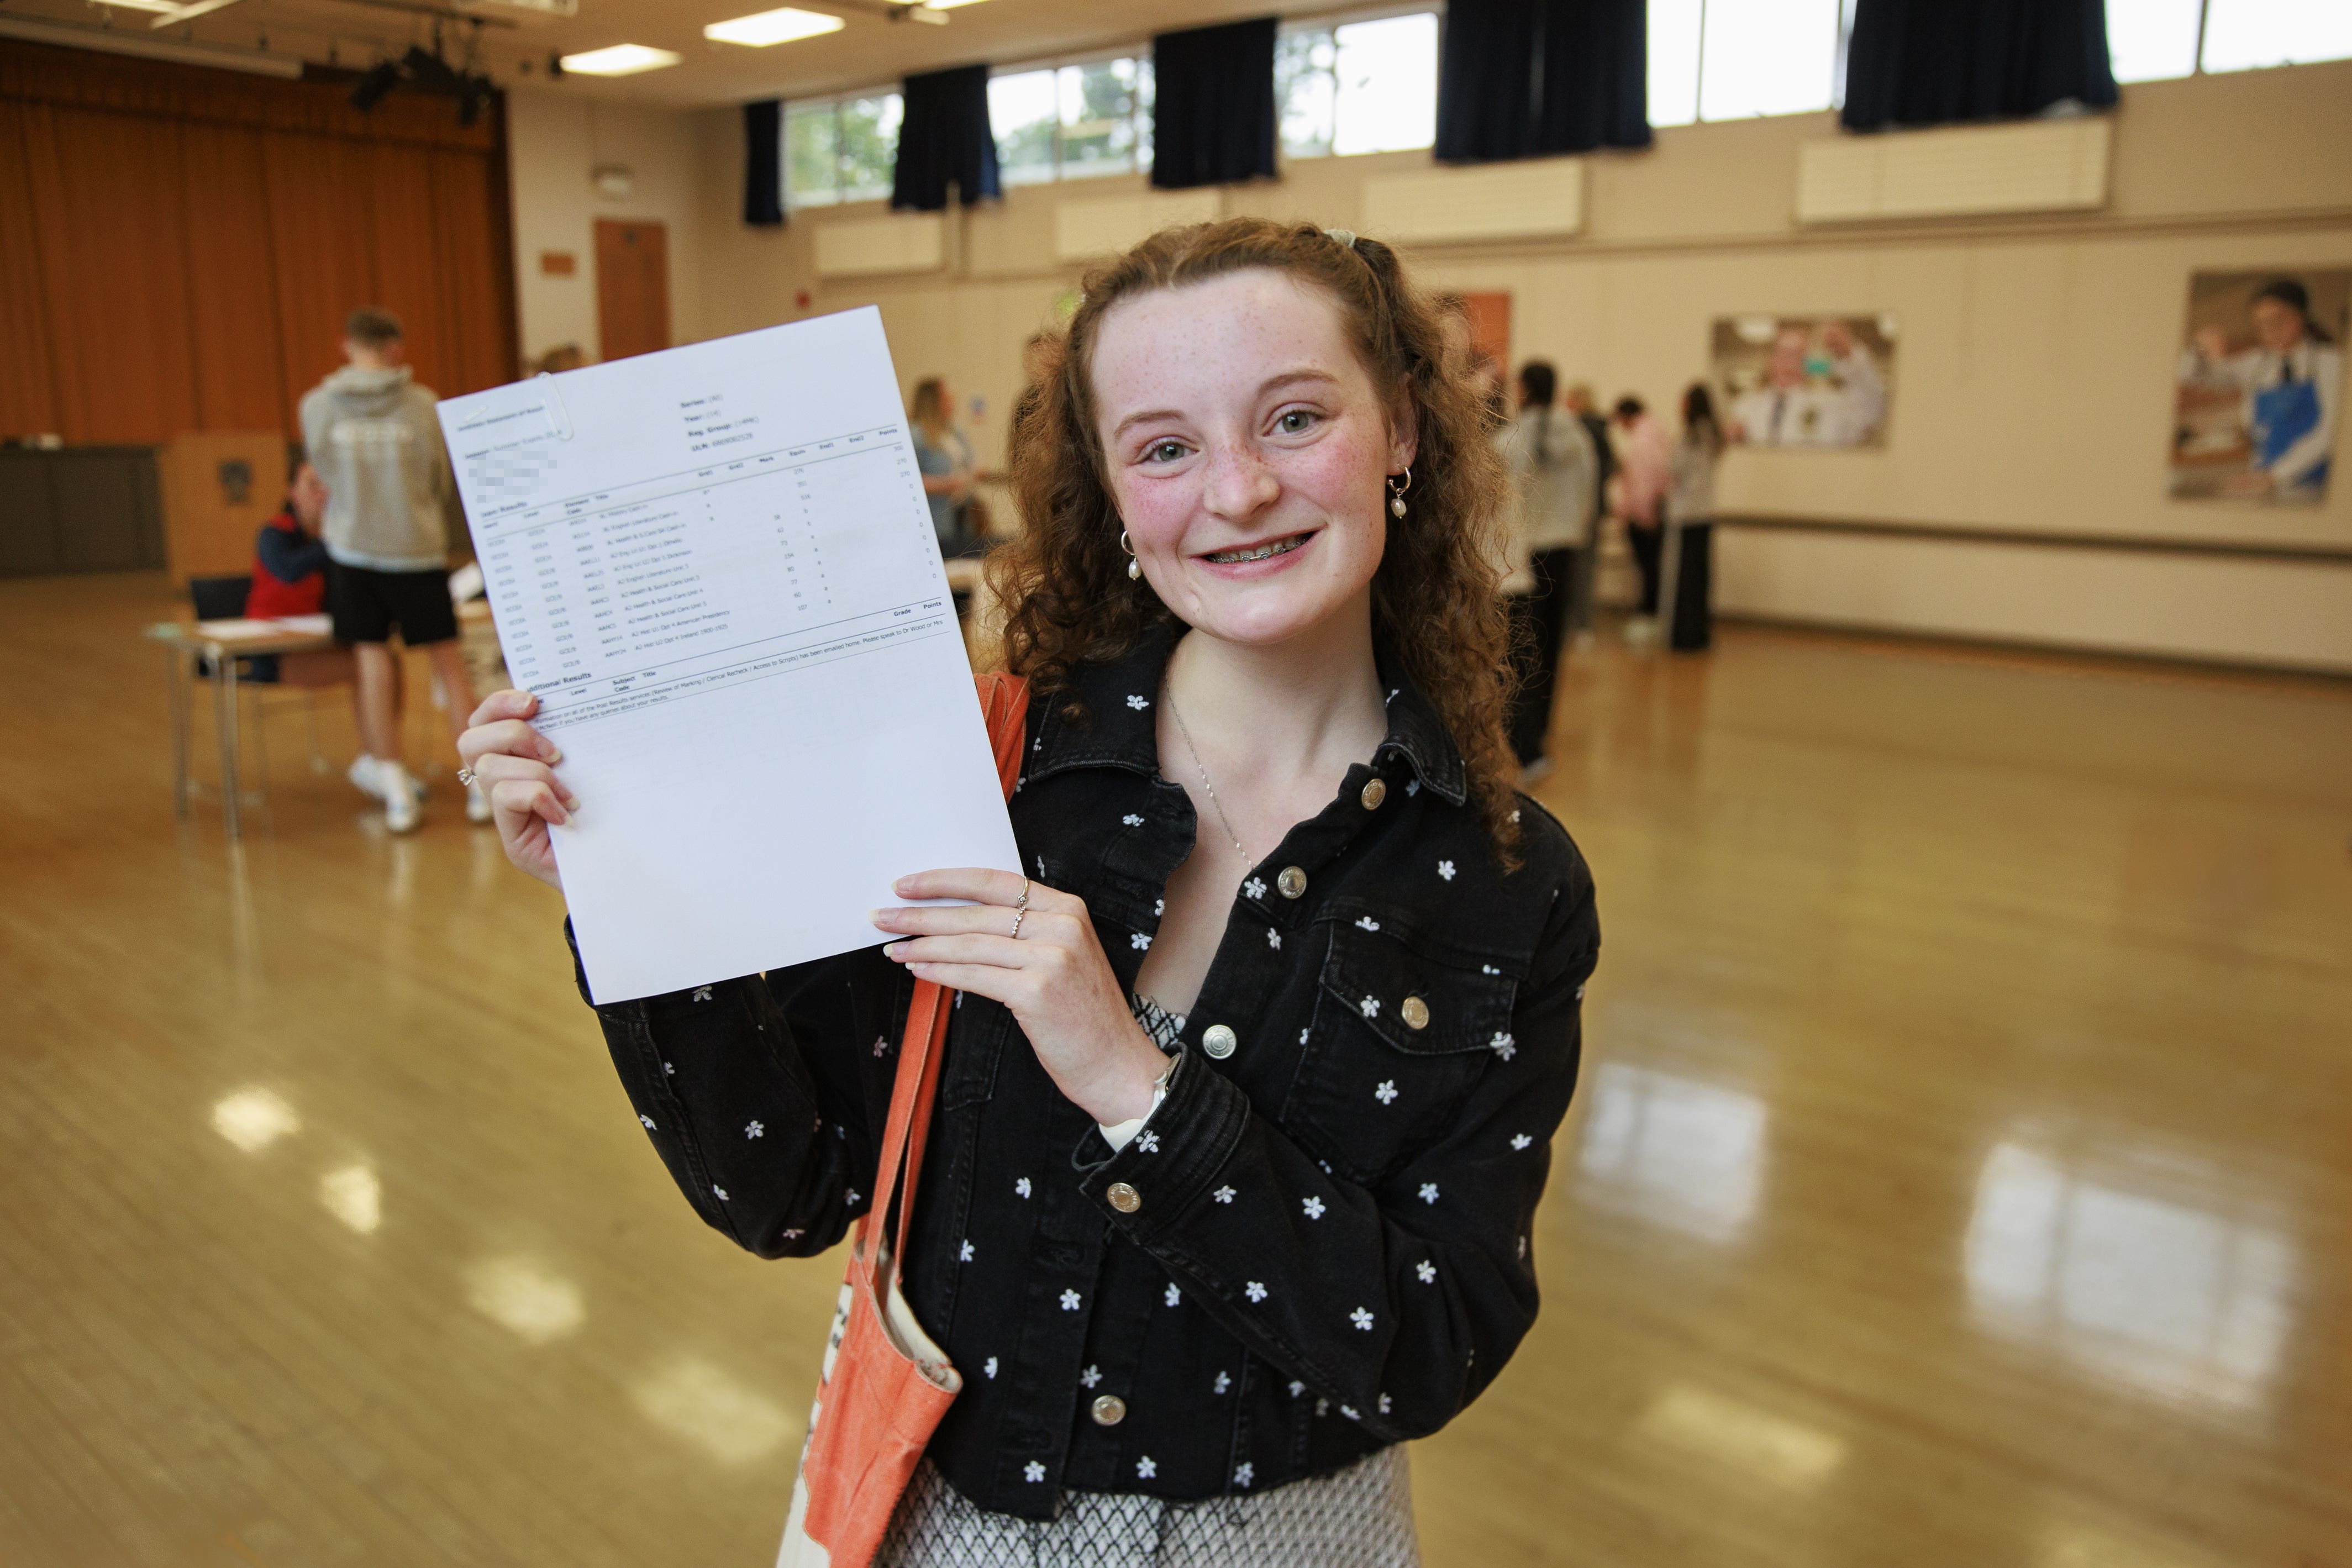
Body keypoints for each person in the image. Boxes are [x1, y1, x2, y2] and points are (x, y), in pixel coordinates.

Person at [460, 217, 1600, 1566]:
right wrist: (631, 879)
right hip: (949, 1526)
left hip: (1300, 1537)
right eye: (1165, 446)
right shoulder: (982, 779)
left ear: (1403, 428)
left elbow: (1429, 1341)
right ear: (1114, 494)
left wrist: (1136, 1086)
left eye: (1294, 418)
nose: (1236, 490)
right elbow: (786, 1184)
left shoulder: (1504, 879)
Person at [299, 306, 482, 832]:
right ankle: (477, 789)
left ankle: (397, 790)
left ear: (346, 345)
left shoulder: (315, 407)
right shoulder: (423, 405)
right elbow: (437, 479)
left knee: (372, 662)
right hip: (417, 551)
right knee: (449, 668)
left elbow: (323, 474)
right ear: (397, 348)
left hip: (353, 550)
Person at [1501, 361, 1597, 776]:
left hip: (1526, 554)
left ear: (1523, 389)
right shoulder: (1576, 433)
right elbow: (1589, 488)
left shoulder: (1512, 438)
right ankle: (1542, 728)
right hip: (1564, 549)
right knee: (1552, 642)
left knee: (1525, 649)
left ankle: (1529, 734)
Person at [2177, 277, 2342, 501]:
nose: (2269, 331)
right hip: (2265, 484)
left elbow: (2332, 432)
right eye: (2260, 324)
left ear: (2300, 316)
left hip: (2316, 486)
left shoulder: (2331, 363)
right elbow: (2191, 377)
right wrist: (2198, 348)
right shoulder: (2256, 365)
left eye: (2277, 321)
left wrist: (2275, 475)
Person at [1727, 320, 1886, 447]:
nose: (1789, 363)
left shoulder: (1830, 404)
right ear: (1771, 360)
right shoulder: (1746, 406)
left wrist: (1849, 354)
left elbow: (1871, 410)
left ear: (1808, 363)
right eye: (1783, 353)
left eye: (1797, 355)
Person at [1661, 383, 1724, 654]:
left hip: (1685, 515)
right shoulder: (1713, 435)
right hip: (1705, 513)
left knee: (1682, 580)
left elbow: (1674, 468)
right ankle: (1697, 633)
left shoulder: (1689, 436)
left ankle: (1681, 636)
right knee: (1700, 578)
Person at [1612, 395, 1673, 627]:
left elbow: (1643, 483)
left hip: (1645, 514)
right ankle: (1652, 612)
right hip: (1657, 509)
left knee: (1647, 567)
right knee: (1653, 567)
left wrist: (1641, 515)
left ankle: (1649, 614)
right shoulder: (1658, 435)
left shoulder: (1642, 442)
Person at [911, 376, 980, 556]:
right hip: (936, 520)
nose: (952, 403)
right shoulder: (917, 436)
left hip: (961, 513)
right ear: (933, 402)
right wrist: (946, 484)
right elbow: (910, 481)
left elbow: (968, 463)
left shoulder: (954, 431)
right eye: (946, 399)